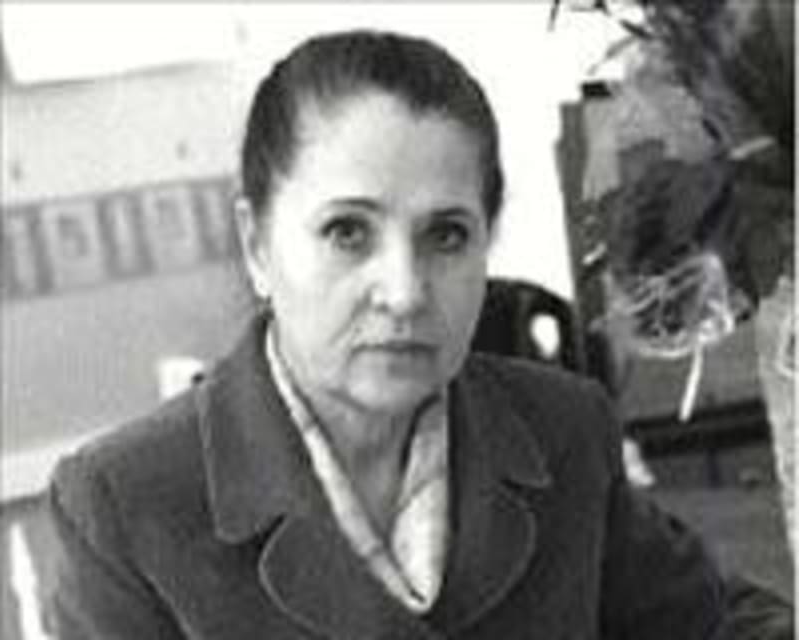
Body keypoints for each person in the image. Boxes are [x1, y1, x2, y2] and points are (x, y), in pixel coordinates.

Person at [44, 29, 791, 639]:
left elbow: (713, 624)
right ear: (257, 246)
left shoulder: (563, 431)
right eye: (347, 232)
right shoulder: (124, 507)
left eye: (446, 235)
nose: (404, 292)